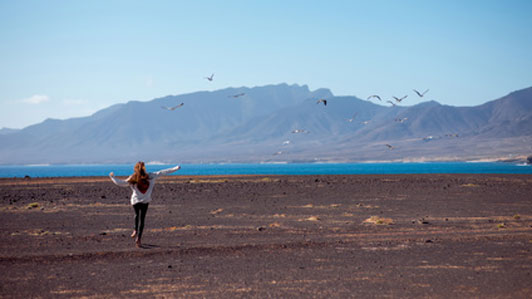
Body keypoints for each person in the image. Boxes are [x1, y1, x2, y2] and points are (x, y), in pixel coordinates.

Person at [109, 162, 181, 247]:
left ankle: (135, 230)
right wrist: (176, 168)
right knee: (142, 219)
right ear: (144, 168)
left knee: (136, 215)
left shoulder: (133, 177)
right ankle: (138, 239)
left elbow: (122, 183)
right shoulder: (151, 176)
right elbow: (163, 172)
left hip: (135, 201)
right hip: (145, 201)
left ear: (135, 169)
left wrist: (112, 177)